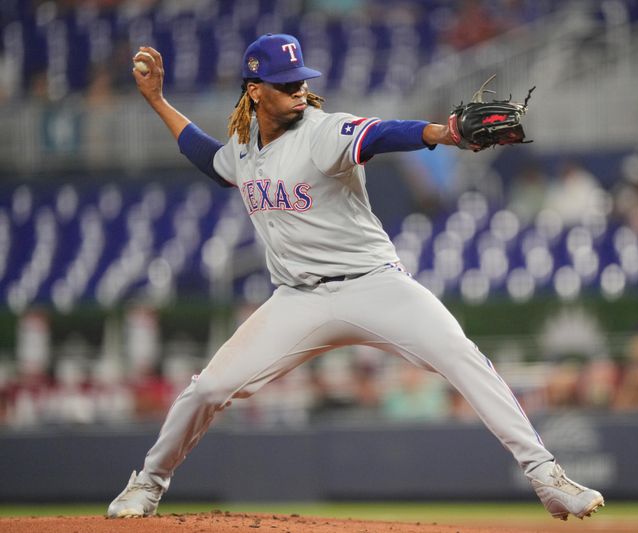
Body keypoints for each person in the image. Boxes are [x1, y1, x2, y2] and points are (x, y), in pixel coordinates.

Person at [107, 33, 603, 521]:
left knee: (461, 355)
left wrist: (443, 133)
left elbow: (382, 134)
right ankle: (147, 484)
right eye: (285, 83)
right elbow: (210, 159)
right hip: (297, 300)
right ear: (255, 91)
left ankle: (546, 477)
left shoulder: (323, 130)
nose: (299, 89)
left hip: (374, 284)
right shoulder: (242, 148)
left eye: (301, 79)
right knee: (208, 389)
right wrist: (158, 101)